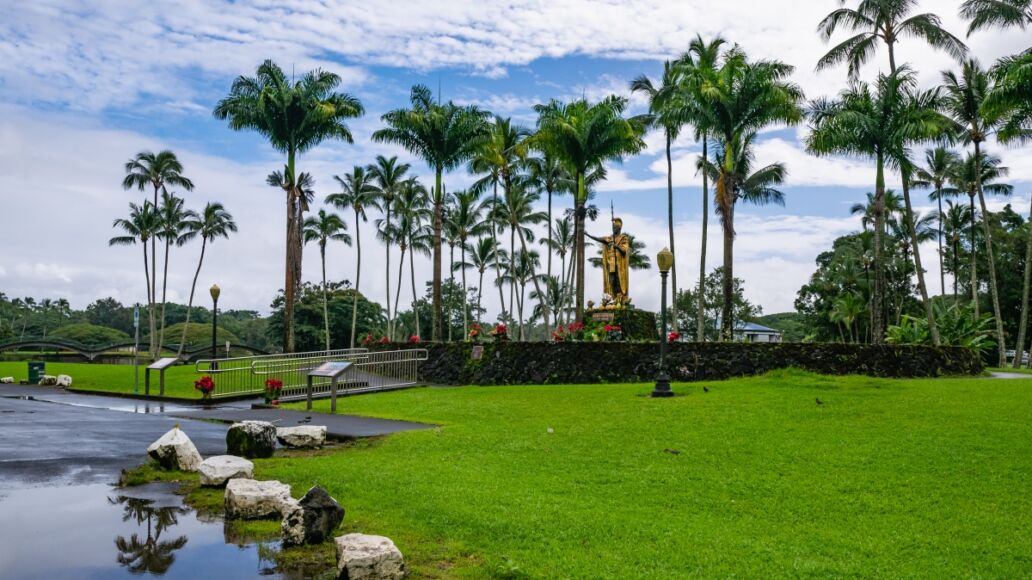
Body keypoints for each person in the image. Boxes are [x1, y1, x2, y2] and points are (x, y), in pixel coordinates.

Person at [587, 217, 630, 304]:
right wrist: (588, 235)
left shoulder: (623, 238)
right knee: (612, 281)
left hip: (619, 264)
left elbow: (624, 250)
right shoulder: (609, 238)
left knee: (619, 281)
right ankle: (612, 298)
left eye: (615, 227)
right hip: (611, 263)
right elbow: (599, 239)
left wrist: (616, 246)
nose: (614, 229)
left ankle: (620, 298)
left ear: (619, 228)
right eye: (613, 228)